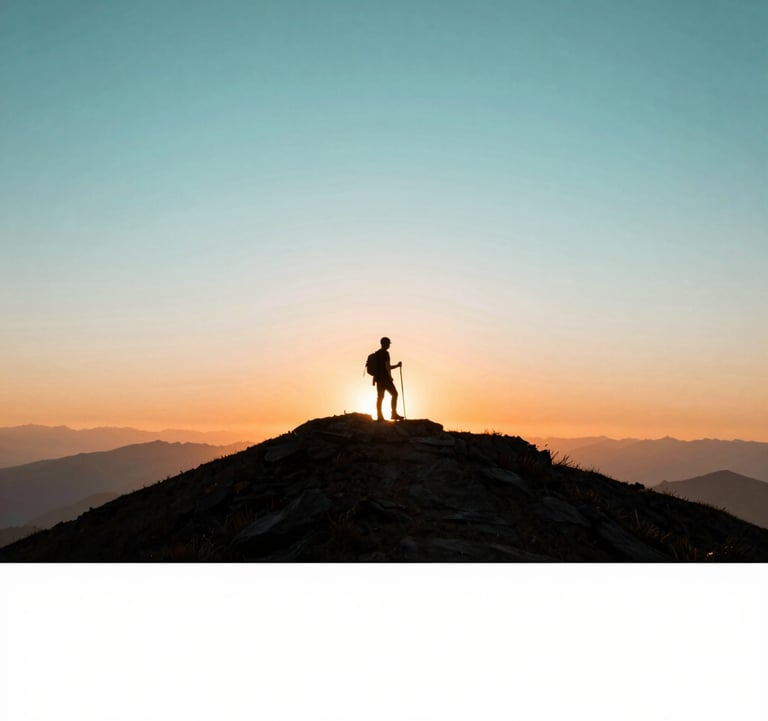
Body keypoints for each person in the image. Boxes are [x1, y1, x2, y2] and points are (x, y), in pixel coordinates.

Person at [372, 337, 404, 421]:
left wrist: (374, 379)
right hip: (385, 379)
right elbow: (387, 367)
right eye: (389, 343)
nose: (389, 345)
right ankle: (393, 414)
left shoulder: (377, 353)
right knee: (395, 394)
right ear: (386, 344)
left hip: (379, 379)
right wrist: (390, 377)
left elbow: (376, 368)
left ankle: (379, 416)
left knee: (380, 397)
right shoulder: (385, 353)